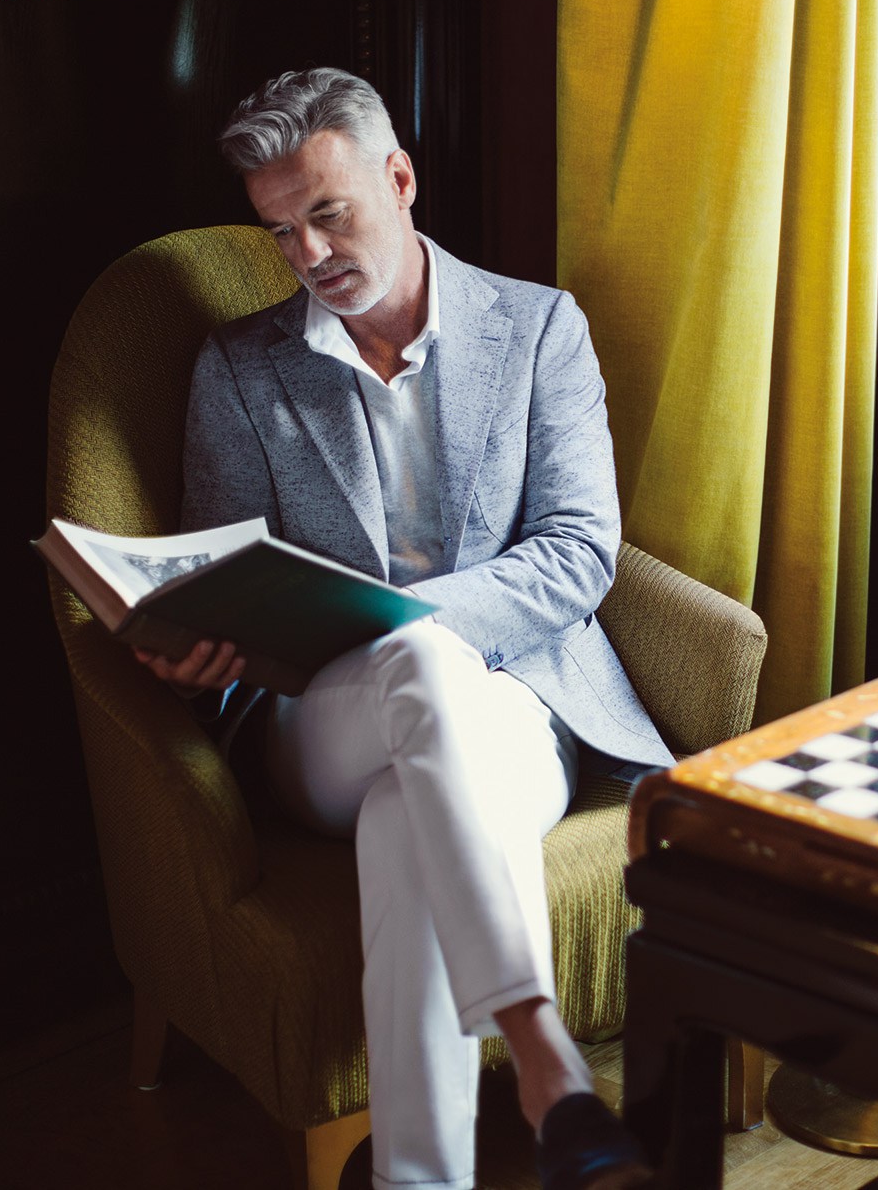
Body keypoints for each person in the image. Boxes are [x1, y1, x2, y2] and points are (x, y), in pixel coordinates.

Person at [134, 66, 665, 1190]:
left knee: (402, 821)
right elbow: (221, 575)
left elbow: (579, 551)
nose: (310, 253)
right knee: (412, 665)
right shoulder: (240, 369)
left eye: (329, 213)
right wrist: (197, 656)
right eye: (281, 231)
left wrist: (397, 624)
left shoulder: (537, 329)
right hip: (321, 727)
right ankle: (544, 1058)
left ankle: (416, 1177)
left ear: (400, 178)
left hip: (517, 706)